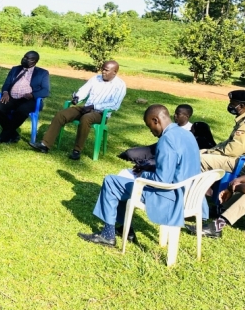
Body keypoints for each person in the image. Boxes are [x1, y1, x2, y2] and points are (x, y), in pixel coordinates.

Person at [79, 105, 201, 247]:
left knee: (111, 182)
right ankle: (125, 229)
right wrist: (150, 167)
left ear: (156, 120)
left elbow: (163, 180)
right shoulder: (187, 134)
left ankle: (108, 235)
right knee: (122, 184)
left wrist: (143, 174)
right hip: (190, 195)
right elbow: (179, 165)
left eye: (150, 126)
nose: (151, 131)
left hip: (169, 197)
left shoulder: (167, 139)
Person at [29, 60, 125, 160]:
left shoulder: (120, 85)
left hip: (101, 114)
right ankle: (45, 145)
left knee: (86, 118)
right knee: (61, 115)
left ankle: (77, 151)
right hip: (85, 108)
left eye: (106, 70)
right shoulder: (96, 78)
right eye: (102, 69)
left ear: (114, 72)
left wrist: (93, 106)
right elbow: (84, 89)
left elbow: (114, 105)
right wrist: (77, 98)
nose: (103, 72)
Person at [117, 104, 216, 167]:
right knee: (131, 154)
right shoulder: (172, 131)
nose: (175, 116)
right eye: (175, 113)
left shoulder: (189, 133)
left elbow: (164, 175)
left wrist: (146, 170)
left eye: (178, 114)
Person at [200, 90, 245, 175]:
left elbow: (233, 150)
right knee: (202, 154)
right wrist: (210, 151)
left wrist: (209, 152)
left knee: (200, 160)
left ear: (241, 106)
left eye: (232, 104)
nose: (230, 106)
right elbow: (230, 142)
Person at [0, 51, 50, 144]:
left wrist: (32, 95)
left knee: (22, 110)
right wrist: (5, 93)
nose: (24, 59)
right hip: (11, 98)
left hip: (29, 100)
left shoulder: (42, 73)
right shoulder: (15, 69)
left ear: (34, 61)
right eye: (24, 57)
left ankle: (3, 136)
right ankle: (13, 134)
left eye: (28, 58)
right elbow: (6, 84)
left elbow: (46, 91)